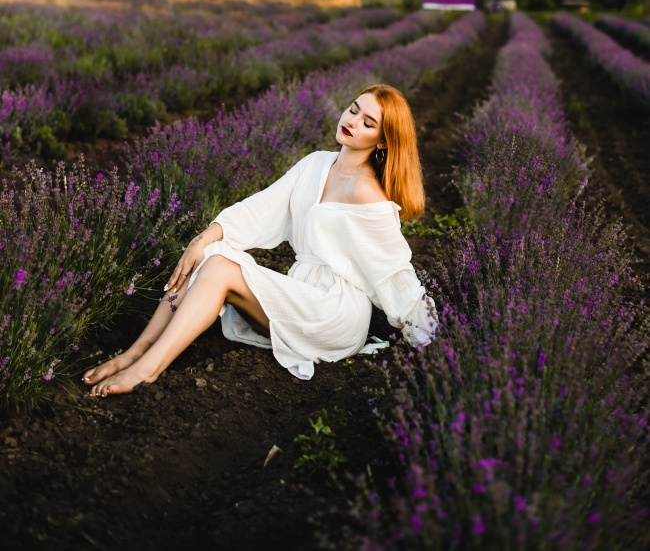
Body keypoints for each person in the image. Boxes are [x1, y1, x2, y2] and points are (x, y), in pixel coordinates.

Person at [83, 84, 438, 397]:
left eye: (368, 123)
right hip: (304, 293)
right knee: (212, 251)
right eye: (353, 109)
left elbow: (393, 274)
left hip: (336, 314)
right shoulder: (316, 164)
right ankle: (135, 352)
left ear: (382, 141)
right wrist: (203, 238)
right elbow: (260, 207)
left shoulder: (368, 194)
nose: (352, 120)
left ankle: (148, 369)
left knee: (220, 267)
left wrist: (433, 342)